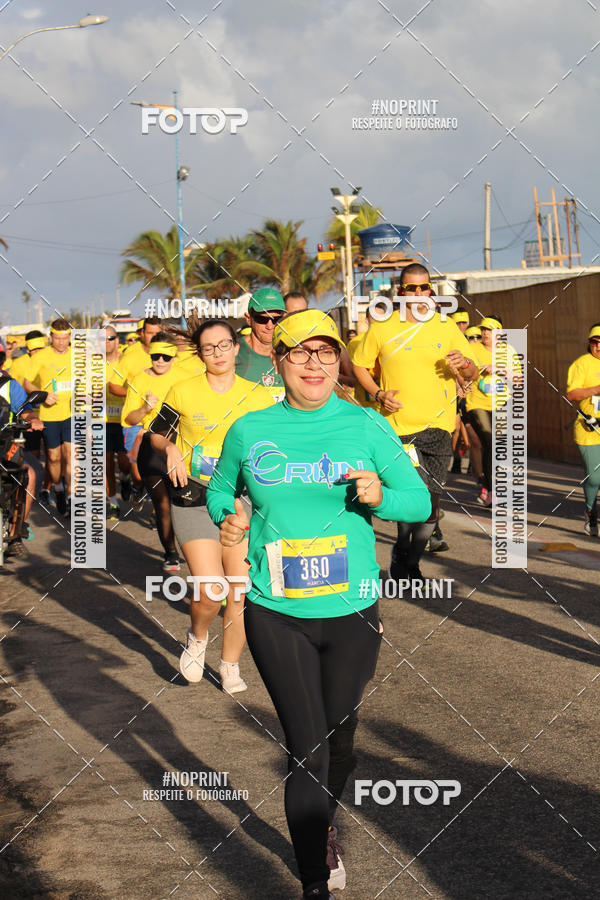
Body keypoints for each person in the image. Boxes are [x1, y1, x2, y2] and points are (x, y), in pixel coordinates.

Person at [207, 309, 430, 898]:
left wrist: (385, 496)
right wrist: (227, 518)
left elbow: (420, 502)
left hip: (353, 610)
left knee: (339, 741)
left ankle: (323, 821)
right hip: (275, 609)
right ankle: (313, 881)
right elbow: (219, 487)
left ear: (339, 363)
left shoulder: (365, 425)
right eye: (301, 352)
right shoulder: (250, 430)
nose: (315, 363)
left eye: (327, 353)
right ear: (278, 360)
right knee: (307, 748)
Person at [150, 319, 273, 691]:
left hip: (242, 499)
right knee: (210, 589)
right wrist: (170, 446)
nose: (217, 353)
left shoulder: (259, 396)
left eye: (223, 345)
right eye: (208, 348)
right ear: (200, 353)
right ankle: (197, 636)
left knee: (239, 588)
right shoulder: (183, 390)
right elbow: (156, 432)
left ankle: (230, 665)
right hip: (195, 495)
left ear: (237, 348)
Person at [351, 263, 477, 580]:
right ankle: (405, 562)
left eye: (424, 288)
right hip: (399, 429)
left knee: (432, 504)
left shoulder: (446, 327)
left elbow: (472, 372)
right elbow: (359, 366)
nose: (418, 294)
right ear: (401, 292)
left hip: (439, 429)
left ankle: (408, 559)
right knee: (412, 497)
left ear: (431, 291)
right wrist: (379, 394)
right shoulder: (382, 327)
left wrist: (465, 364)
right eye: (411, 289)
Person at [121, 333, 184, 570]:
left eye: (166, 357)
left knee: (185, 503)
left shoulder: (185, 377)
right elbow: (128, 419)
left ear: (173, 357)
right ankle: (170, 553)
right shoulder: (138, 379)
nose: (160, 361)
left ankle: (193, 546)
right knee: (162, 504)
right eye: (156, 356)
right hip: (151, 445)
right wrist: (145, 407)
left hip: (181, 445)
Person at [465, 315, 522, 508]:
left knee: (495, 446)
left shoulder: (508, 351)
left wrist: (499, 369)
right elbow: (462, 370)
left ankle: (489, 488)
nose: (485, 333)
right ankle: (492, 490)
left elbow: (518, 379)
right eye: (483, 330)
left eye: (489, 330)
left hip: (501, 403)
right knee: (489, 440)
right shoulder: (473, 348)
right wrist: (478, 371)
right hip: (477, 403)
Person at [23, 319, 73, 516]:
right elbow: (27, 383)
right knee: (53, 457)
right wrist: (43, 395)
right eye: (58, 338)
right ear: (51, 337)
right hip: (50, 415)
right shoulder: (41, 357)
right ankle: (58, 488)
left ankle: (70, 497)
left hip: (72, 413)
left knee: (71, 455)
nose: (61, 342)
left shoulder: (78, 356)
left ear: (70, 337)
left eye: (65, 338)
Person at [0, 348, 44, 553]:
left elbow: (25, 409)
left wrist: (33, 419)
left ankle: (15, 534)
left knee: (30, 476)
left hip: (6, 445)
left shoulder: (9, 385)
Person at [566, 323, 600, 536]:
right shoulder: (581, 364)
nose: (598, 346)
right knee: (595, 477)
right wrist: (595, 389)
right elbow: (571, 395)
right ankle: (590, 514)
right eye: (594, 342)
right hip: (589, 428)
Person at [235, 287, 286, 400]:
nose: (269, 326)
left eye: (276, 319)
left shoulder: (294, 354)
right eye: (262, 319)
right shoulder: (233, 352)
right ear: (248, 319)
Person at [104, 326, 131, 518]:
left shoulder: (126, 362)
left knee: (124, 461)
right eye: (103, 339)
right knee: (106, 463)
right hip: (102, 420)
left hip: (124, 419)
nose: (106, 342)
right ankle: (112, 502)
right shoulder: (93, 365)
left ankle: (126, 478)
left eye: (110, 338)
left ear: (117, 341)